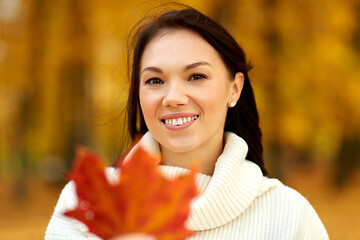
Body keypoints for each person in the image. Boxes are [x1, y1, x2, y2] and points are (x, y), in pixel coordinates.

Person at [45, 6, 329, 240]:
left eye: (196, 76)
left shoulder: (288, 215)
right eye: (155, 81)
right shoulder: (89, 202)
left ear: (235, 88)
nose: (173, 98)